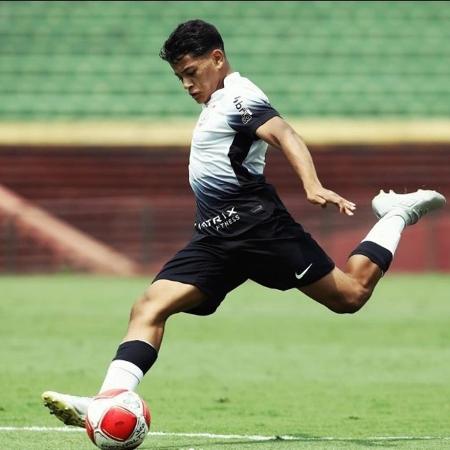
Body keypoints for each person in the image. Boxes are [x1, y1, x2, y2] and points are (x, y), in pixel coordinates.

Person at [42, 19, 445, 427]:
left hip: (258, 229)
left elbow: (285, 134)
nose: (186, 84)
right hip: (214, 237)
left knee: (350, 295)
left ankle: (397, 213)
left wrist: (312, 184)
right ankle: (108, 399)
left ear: (217, 59)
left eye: (191, 73)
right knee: (149, 306)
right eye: (179, 77)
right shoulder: (214, 104)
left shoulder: (238, 96)